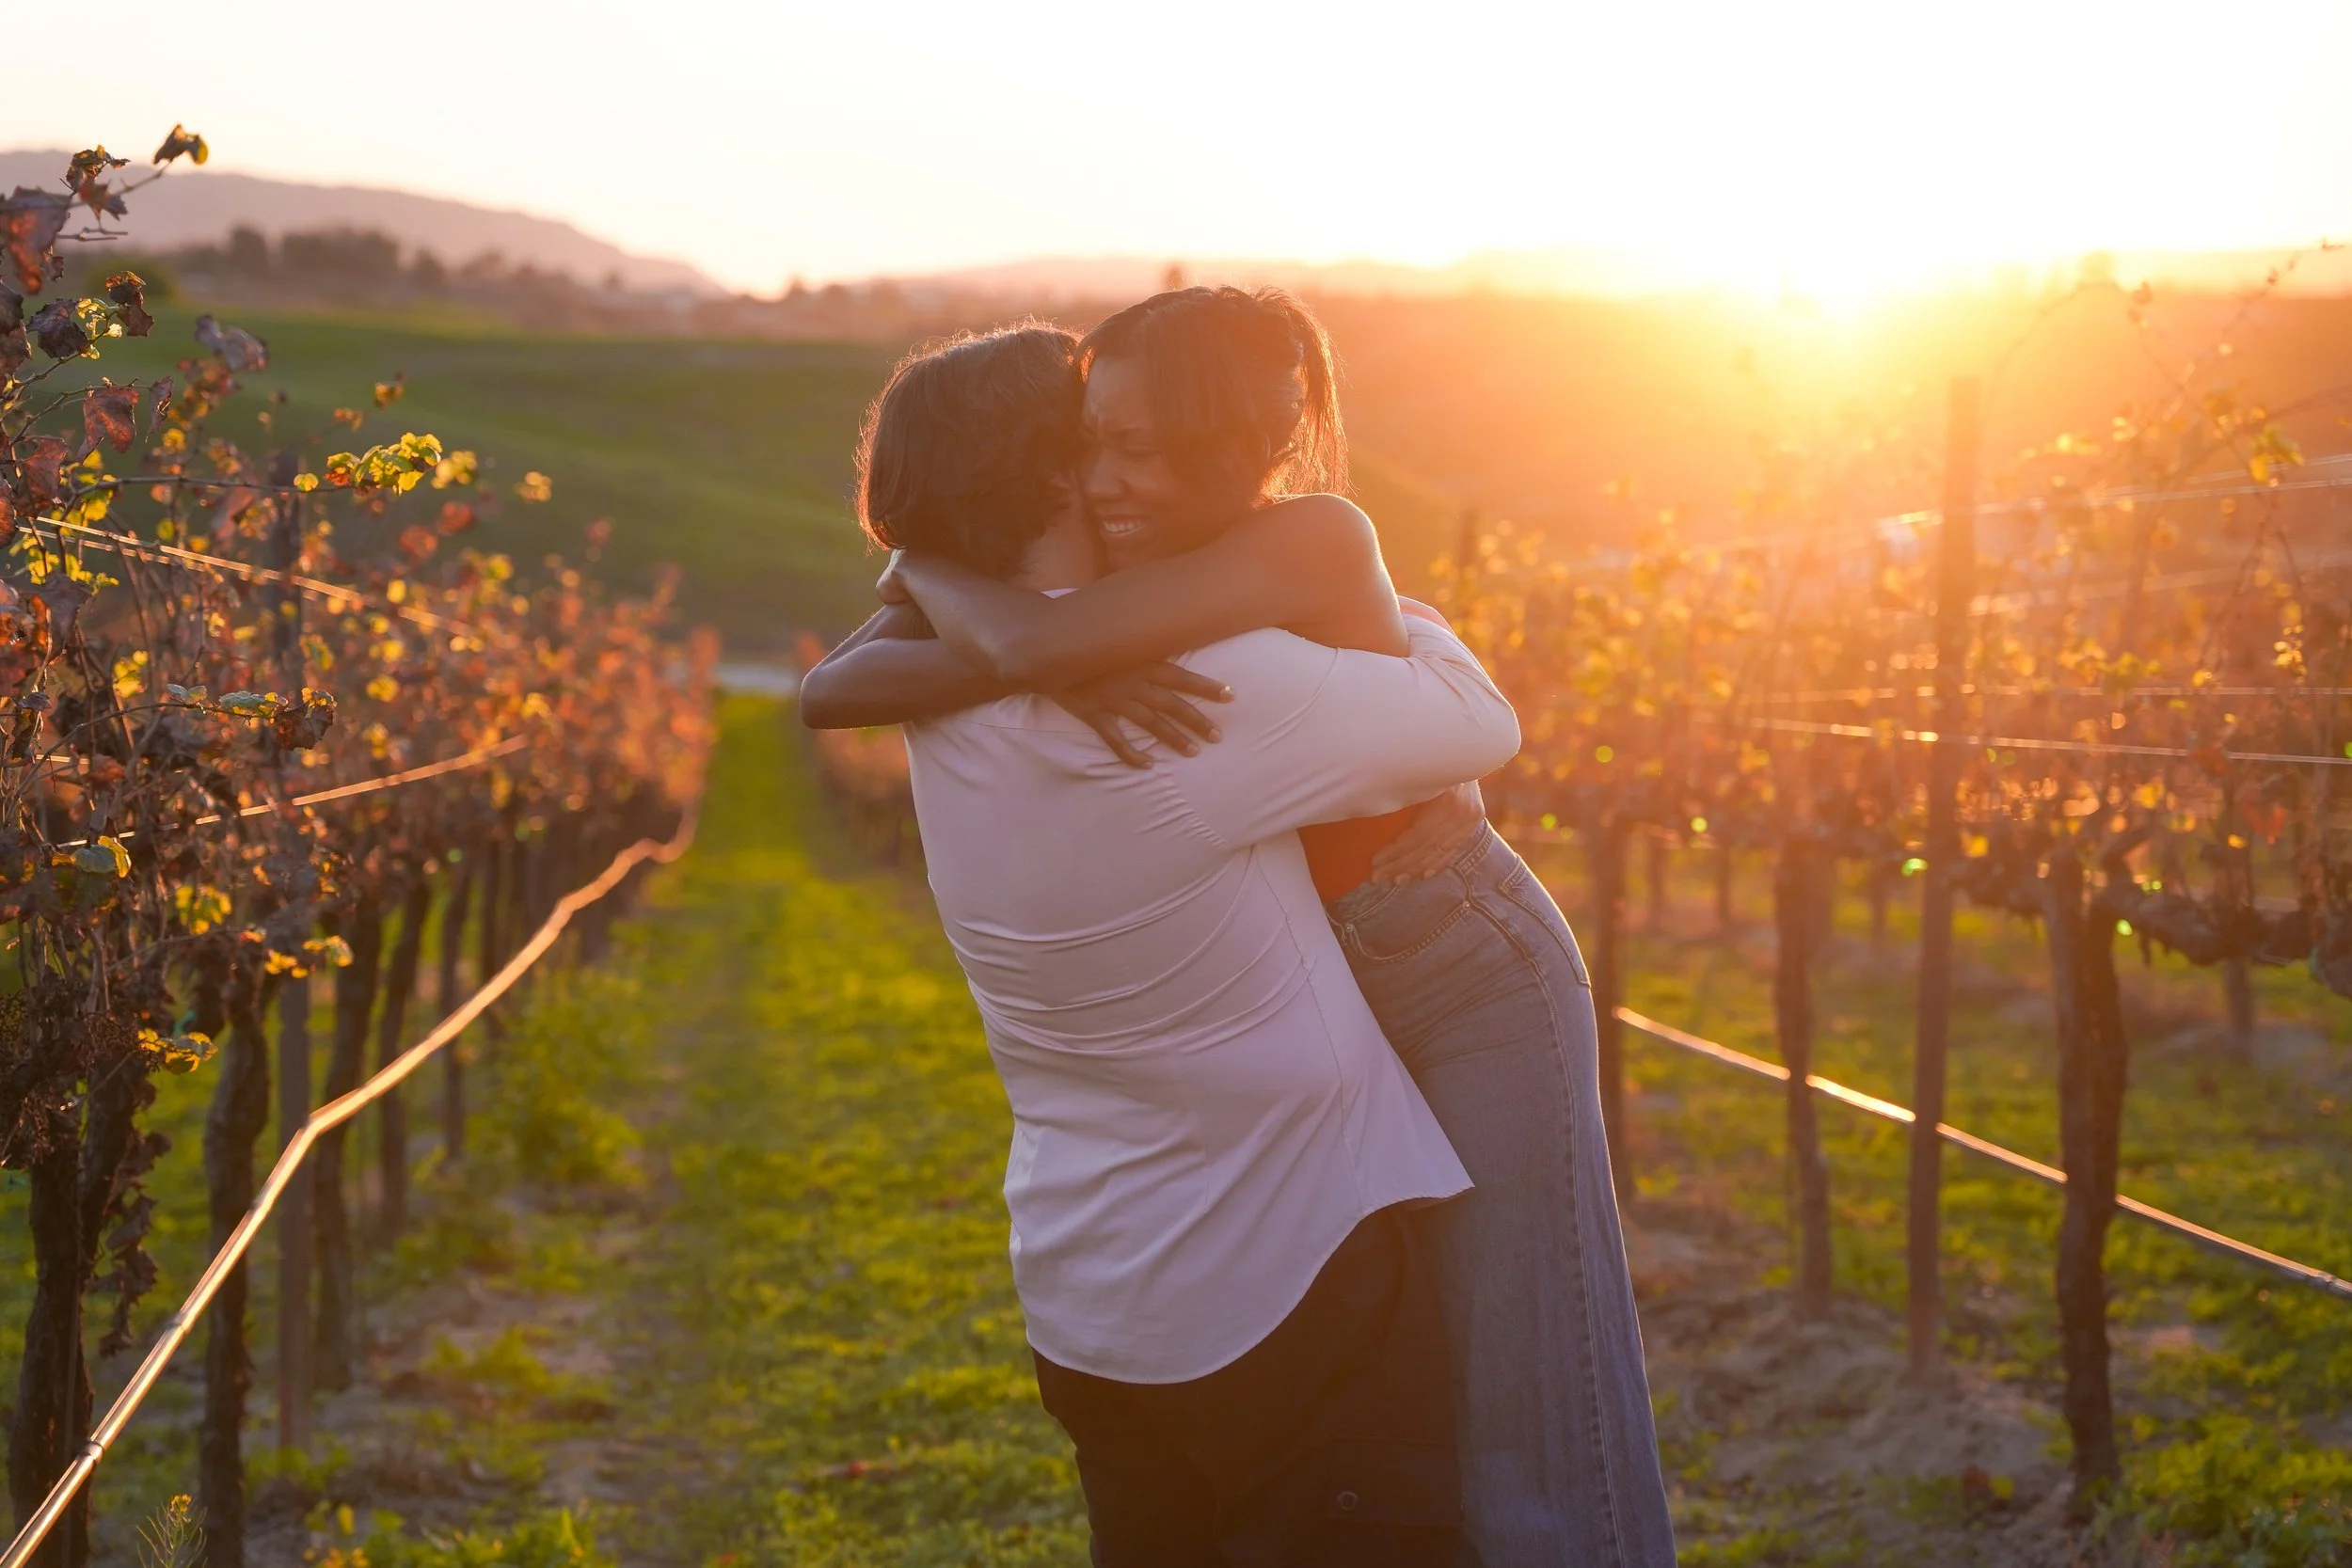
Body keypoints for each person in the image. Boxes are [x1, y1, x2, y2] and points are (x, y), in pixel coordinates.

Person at [810, 289, 1678, 1567]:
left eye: (1137, 447)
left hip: (1429, 981)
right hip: (1343, 1042)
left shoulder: (999, 702)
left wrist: (961, 590)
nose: (1114, 480)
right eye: (1088, 447)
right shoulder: (1190, 689)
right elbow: (1459, 720)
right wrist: (1034, 634)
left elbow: (860, 679)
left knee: (1543, 1377)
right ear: (1041, 481)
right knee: (1512, 1385)